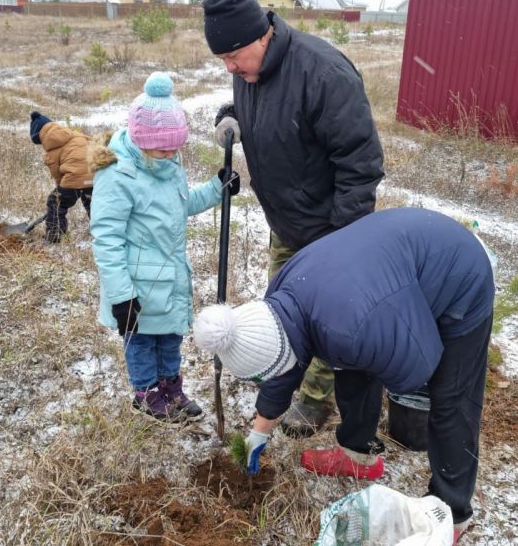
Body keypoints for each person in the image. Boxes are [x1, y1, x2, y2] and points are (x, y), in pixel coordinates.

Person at [193, 208, 495, 540]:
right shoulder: (280, 304)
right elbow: (284, 364)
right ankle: (357, 455)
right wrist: (259, 434)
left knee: (452, 399)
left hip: (459, 273)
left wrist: (374, 357)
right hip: (386, 281)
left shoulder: (351, 328)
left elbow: (420, 366)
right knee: (351, 364)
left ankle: (450, 513)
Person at [202, 0, 385, 437]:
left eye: (232, 55)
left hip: (330, 227)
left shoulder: (323, 72)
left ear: (261, 36)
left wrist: (343, 239)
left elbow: (361, 163)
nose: (228, 66)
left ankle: (318, 397)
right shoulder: (248, 70)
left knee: (326, 318)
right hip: (284, 221)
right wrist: (232, 116)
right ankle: (282, 373)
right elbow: (265, 110)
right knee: (283, 310)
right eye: (221, 58)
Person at [89, 72, 240, 423]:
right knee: (142, 343)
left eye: (175, 147)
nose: (171, 153)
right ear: (141, 139)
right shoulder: (118, 174)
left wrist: (217, 188)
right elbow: (107, 239)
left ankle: (172, 388)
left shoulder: (168, 165)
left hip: (170, 278)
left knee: (170, 339)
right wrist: (120, 295)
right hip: (136, 286)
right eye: (163, 148)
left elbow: (180, 204)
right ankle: (146, 394)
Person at [29, 111, 103, 243]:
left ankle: (54, 236)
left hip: (73, 178)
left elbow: (57, 175)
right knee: (93, 204)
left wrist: (61, 190)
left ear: (40, 136)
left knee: (55, 202)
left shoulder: (52, 149)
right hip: (95, 176)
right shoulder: (76, 135)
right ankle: (104, 235)